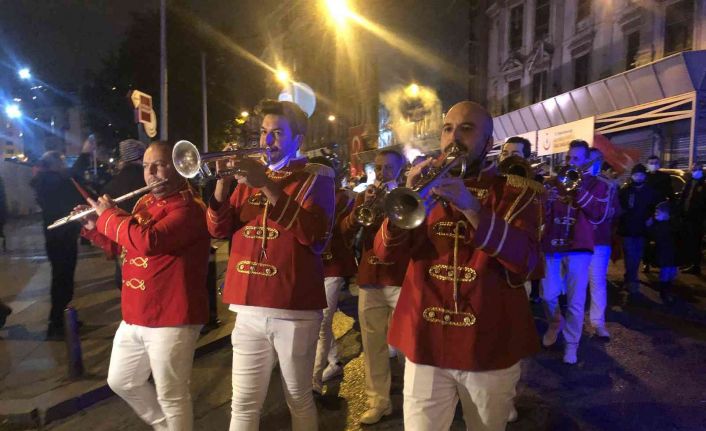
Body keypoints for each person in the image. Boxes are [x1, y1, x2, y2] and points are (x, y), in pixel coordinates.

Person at [374, 101, 544, 430]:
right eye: (448, 129)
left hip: (488, 346)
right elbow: (385, 255)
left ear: (488, 142)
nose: (454, 138)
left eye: (466, 129)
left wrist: (471, 208)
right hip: (425, 342)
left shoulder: (516, 192)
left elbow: (528, 263)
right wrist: (407, 197)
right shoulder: (425, 188)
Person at [206, 100, 335, 431]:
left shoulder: (315, 177)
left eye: (277, 133)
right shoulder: (247, 178)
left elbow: (314, 236)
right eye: (264, 132)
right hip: (248, 305)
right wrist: (223, 183)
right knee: (243, 403)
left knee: (298, 398)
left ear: (298, 139)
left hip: (294, 309)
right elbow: (218, 230)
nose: (266, 140)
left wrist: (264, 182)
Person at [77, 140, 210, 430]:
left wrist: (109, 215)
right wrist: (94, 227)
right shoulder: (145, 202)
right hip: (136, 312)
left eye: (158, 165)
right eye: (146, 166)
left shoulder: (190, 207)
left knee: (172, 395)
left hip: (172, 315)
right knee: (121, 380)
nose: (150, 173)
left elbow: (149, 242)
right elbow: (126, 246)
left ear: (178, 167)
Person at [340, 148, 409, 425]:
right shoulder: (364, 195)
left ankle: (414, 398)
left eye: (388, 168)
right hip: (370, 277)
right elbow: (344, 231)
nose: (382, 173)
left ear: (401, 169)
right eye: (379, 167)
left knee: (406, 345)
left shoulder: (407, 195)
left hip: (401, 278)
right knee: (372, 344)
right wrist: (362, 207)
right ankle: (378, 401)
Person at [542, 140, 611, 364]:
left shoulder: (599, 185)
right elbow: (543, 215)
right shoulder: (554, 183)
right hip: (552, 246)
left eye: (577, 159)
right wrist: (546, 201)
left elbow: (599, 216)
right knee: (547, 294)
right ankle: (555, 322)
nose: (571, 162)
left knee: (575, 300)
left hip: (579, 248)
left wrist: (578, 188)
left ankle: (572, 345)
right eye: (569, 158)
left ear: (587, 161)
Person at [30, 139, 93, 339]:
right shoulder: (50, 182)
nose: (65, 165)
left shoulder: (49, 181)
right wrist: (84, 155)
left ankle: (64, 318)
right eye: (62, 162)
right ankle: (56, 323)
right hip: (60, 238)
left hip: (62, 236)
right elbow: (72, 177)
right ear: (55, 164)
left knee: (64, 279)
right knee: (61, 281)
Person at [309, 156, 357, 394]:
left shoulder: (345, 198)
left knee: (321, 322)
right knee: (318, 322)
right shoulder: (305, 196)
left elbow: (344, 228)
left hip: (333, 267)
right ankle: (334, 361)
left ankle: (314, 381)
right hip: (311, 267)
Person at [100, 139, 147, 289]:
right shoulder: (148, 180)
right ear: (142, 156)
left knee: (125, 284)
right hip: (145, 241)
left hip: (121, 244)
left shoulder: (110, 185)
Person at [586, 148, 620, 340]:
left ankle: (598, 323)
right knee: (575, 285)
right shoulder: (576, 181)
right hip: (579, 242)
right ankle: (569, 324)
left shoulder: (608, 185)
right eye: (591, 160)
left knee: (597, 282)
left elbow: (615, 211)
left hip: (600, 241)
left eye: (598, 160)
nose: (594, 164)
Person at [618, 164, 660, 297]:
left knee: (637, 256)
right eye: (636, 175)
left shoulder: (650, 192)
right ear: (632, 176)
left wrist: (652, 218)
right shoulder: (626, 191)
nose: (638, 177)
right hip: (628, 229)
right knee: (631, 255)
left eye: (641, 175)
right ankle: (632, 281)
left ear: (645, 176)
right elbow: (619, 207)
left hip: (642, 230)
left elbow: (658, 207)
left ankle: (629, 277)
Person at [643, 155, 673, 273]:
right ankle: (646, 262)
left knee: (660, 239)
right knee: (646, 240)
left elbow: (670, 195)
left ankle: (658, 262)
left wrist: (668, 210)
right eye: (651, 162)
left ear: (659, 164)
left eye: (655, 162)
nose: (653, 165)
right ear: (647, 164)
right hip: (647, 212)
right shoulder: (644, 177)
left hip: (661, 213)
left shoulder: (665, 177)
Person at [647, 202, 678, 304]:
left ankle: (666, 291)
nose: (655, 213)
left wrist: (650, 226)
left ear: (666, 214)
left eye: (658, 212)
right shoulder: (663, 225)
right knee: (667, 272)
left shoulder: (666, 226)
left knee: (670, 272)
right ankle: (665, 292)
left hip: (669, 253)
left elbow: (656, 235)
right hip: (667, 253)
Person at [678, 162, 706, 275]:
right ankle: (688, 262)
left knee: (696, 242)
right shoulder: (689, 182)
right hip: (686, 216)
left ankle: (695, 266)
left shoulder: (703, 184)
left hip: (697, 218)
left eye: (697, 168)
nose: (695, 170)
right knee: (687, 241)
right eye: (693, 168)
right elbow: (684, 197)